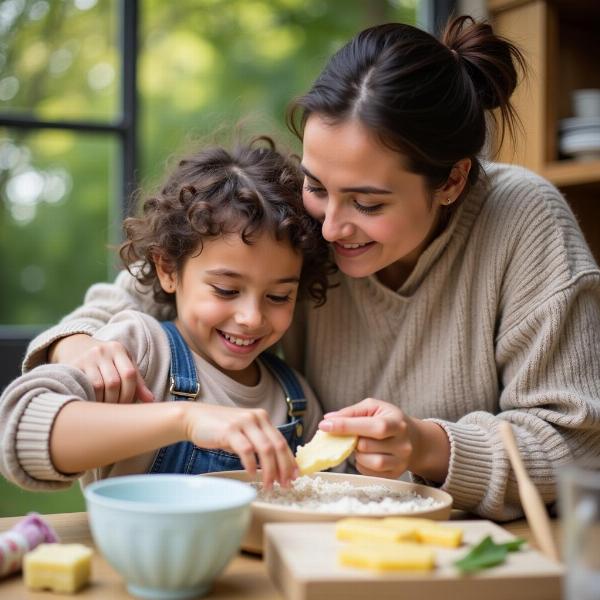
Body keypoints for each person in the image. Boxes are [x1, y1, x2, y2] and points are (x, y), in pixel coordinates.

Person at [5, 15, 600, 520]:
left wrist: (426, 445)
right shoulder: (295, 218)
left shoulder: (523, 222)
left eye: (367, 203)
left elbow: (578, 448)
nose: (330, 226)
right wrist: (80, 345)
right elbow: (146, 291)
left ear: (451, 181)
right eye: (317, 185)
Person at [0, 137, 332, 492]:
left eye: (279, 296)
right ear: (168, 270)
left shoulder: (296, 400)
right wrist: (186, 419)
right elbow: (18, 437)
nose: (251, 317)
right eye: (226, 290)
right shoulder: (141, 349)